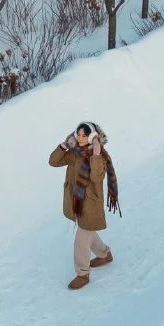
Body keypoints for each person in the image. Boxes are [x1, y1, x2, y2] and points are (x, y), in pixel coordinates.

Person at [49, 121, 120, 290]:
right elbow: (53, 161)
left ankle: (82, 274)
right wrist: (64, 145)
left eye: (84, 135)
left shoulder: (100, 156)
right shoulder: (74, 153)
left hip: (90, 205)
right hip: (76, 202)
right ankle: (104, 254)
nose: (80, 138)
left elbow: (97, 177)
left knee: (81, 241)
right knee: (88, 231)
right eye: (78, 135)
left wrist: (95, 154)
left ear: (92, 136)